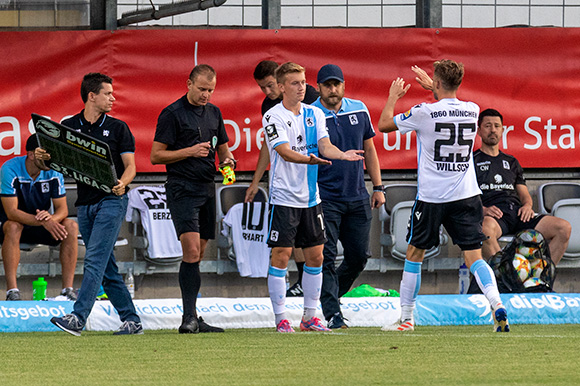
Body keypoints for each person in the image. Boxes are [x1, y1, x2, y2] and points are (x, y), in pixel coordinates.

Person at [377, 60, 510, 332]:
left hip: (432, 197)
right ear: (458, 83)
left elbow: (384, 124)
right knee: (475, 257)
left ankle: (407, 319)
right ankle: (496, 304)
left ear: (437, 83)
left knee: (414, 254)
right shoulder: (473, 110)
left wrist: (393, 97)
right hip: (467, 196)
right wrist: (434, 87)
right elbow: (449, 103)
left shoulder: (424, 112)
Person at [263, 62, 364, 333]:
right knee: (281, 255)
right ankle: (281, 318)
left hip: (311, 198)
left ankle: (309, 317)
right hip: (284, 197)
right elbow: (283, 151)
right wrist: (310, 160)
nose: (302, 87)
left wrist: (342, 155)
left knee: (317, 257)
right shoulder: (273, 116)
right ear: (282, 87)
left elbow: (324, 145)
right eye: (295, 83)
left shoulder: (314, 113)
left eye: (303, 81)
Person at [47, 72, 143, 336]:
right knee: (106, 267)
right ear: (92, 96)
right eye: (107, 93)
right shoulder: (68, 124)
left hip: (112, 200)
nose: (113, 98)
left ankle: (78, 318)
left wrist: (123, 183)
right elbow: (56, 161)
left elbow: (131, 167)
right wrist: (46, 156)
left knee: (94, 260)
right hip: (85, 204)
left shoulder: (119, 127)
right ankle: (132, 320)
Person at [151, 64, 235, 334]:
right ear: (188, 84)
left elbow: (223, 147)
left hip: (207, 187)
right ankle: (187, 318)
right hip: (181, 187)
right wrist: (189, 151)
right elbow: (156, 155)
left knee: (198, 255)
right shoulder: (172, 114)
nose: (206, 95)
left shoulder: (214, 113)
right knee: (191, 251)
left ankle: (195, 316)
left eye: (210, 90)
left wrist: (228, 161)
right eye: (201, 89)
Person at [311, 64, 385, 329]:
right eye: (328, 85)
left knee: (359, 256)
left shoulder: (359, 108)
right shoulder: (312, 114)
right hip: (325, 196)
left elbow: (370, 149)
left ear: (343, 84)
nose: (333, 89)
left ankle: (328, 298)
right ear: (318, 87)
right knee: (327, 256)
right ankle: (332, 313)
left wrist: (377, 187)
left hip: (356, 195)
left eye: (337, 84)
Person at [247, 60, 320, 297]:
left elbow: (322, 140)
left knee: (317, 248)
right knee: (286, 246)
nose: (268, 93)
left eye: (270, 86)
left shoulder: (310, 100)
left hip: (314, 178)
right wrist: (256, 180)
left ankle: (317, 298)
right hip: (287, 185)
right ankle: (296, 289)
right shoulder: (270, 109)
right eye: (263, 88)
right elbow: (272, 145)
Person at [474, 108, 571, 264]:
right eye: (488, 126)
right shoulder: (472, 161)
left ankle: (540, 279)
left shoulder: (512, 161)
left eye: (497, 126)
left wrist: (527, 206)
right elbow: (464, 197)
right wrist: (484, 209)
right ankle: (507, 277)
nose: (493, 130)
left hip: (518, 215)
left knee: (563, 228)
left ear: (502, 130)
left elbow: (524, 194)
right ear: (479, 130)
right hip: (495, 217)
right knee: (484, 230)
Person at [0, 134, 78, 301]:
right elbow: (11, 212)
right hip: (17, 224)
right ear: (31, 155)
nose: (50, 160)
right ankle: (12, 291)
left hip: (43, 224)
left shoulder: (54, 171)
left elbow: (62, 209)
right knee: (13, 226)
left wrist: (51, 220)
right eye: (45, 155)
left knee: (71, 226)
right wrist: (45, 221)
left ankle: (67, 290)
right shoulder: (9, 168)